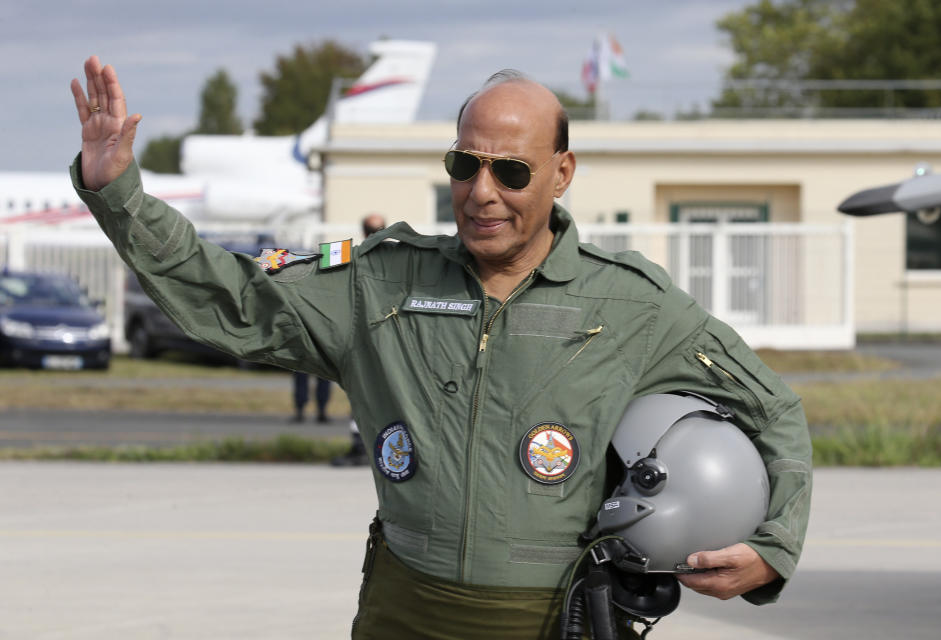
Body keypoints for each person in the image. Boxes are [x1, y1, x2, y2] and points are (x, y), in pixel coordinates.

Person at [70, 58, 812, 639]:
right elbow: (225, 295)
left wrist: (773, 547)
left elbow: (771, 408)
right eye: (466, 164)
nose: (482, 191)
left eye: (511, 171)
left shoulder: (631, 304)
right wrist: (119, 194)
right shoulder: (377, 281)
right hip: (404, 612)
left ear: (562, 173)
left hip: (555, 618)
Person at [331, 212, 386, 466]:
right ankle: (368, 448)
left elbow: (312, 260)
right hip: (380, 338)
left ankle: (363, 448)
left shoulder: (348, 253)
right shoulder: (400, 254)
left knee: (361, 393)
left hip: (367, 337)